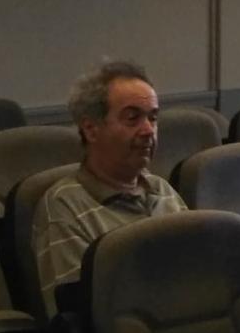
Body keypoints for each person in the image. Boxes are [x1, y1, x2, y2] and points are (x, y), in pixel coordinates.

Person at [35, 59, 185, 298]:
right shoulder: (64, 206)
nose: (148, 130)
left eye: (153, 118)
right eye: (132, 118)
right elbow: (80, 311)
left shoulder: (162, 189)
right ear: (91, 129)